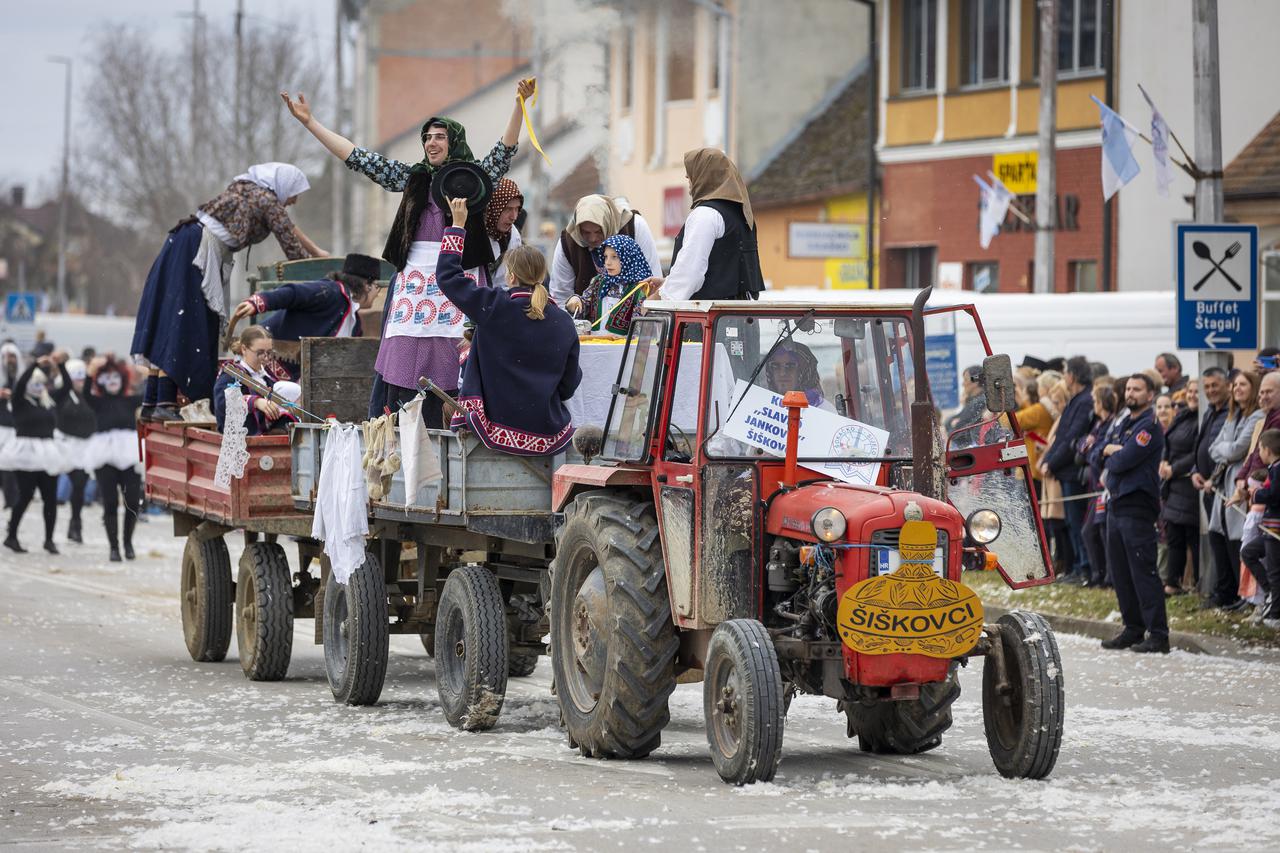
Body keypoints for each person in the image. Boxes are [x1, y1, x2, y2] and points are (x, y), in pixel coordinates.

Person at [283, 80, 534, 425]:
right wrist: (310, 123)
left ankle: (456, 422)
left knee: (458, 351)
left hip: (460, 276)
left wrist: (519, 104)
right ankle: (400, 425)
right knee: (403, 354)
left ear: (455, 141)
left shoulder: (475, 178)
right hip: (413, 282)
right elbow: (358, 157)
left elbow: (504, 150)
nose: (431, 142)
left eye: (440, 136)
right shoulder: (412, 178)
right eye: (427, 137)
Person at [132, 162, 322, 422]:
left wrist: (318, 253)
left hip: (184, 242)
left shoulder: (249, 190)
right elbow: (291, 244)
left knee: (171, 320)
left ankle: (153, 402)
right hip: (197, 251)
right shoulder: (266, 200)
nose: (294, 201)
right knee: (184, 323)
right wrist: (319, 275)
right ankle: (164, 402)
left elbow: (289, 227)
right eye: (294, 194)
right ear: (283, 186)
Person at [438, 198, 581, 456]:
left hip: (493, 427)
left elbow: (448, 277)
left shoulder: (494, 307)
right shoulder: (564, 322)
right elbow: (569, 384)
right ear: (541, 276)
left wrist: (458, 226)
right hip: (547, 434)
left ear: (511, 276)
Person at [1099, 373, 1169, 654]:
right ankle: (1133, 627)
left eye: (1137, 389)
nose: (1131, 392)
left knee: (1143, 570)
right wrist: (1111, 451)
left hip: (1137, 503)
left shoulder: (1149, 425)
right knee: (1120, 571)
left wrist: (1112, 452)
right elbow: (1095, 454)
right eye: (1128, 388)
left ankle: (1159, 634)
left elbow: (1122, 461)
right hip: (1116, 502)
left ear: (1150, 394)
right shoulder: (1123, 421)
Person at [230, 253, 382, 380]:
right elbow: (295, 293)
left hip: (296, 382)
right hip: (262, 365)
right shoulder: (331, 292)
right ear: (367, 285)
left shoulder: (355, 326)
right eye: (377, 286)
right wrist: (259, 302)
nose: (378, 293)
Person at [648, 148, 766, 303]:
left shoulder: (705, 214)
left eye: (691, 175)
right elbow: (723, 270)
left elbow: (690, 272)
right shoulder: (742, 214)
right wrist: (667, 283)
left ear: (705, 177)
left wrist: (655, 300)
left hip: (709, 319)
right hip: (740, 317)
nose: (688, 180)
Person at [1206, 370, 1264, 611]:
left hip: (1240, 483)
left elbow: (1237, 450)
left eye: (1243, 384)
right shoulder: (1233, 415)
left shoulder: (1257, 416)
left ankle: (1244, 596)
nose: (1237, 388)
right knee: (1217, 535)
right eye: (1236, 384)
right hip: (1225, 482)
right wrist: (1226, 450)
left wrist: (1226, 450)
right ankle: (1226, 591)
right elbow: (1213, 448)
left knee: (1237, 539)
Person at [2, 356, 69, 554]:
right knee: (25, 496)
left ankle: (49, 539)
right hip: (26, 454)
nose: (38, 387)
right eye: (35, 383)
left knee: (50, 498)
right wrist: (35, 365)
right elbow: (21, 382)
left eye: (41, 384)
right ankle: (11, 535)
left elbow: (66, 388)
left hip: (47, 453)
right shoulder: (19, 401)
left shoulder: (47, 402)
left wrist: (61, 366)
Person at [553, 195, 662, 311]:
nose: (593, 238)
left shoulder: (634, 226)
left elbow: (653, 281)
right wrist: (574, 305)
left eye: (598, 231)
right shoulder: (569, 241)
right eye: (586, 232)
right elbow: (561, 295)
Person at [1041, 356, 1095, 583]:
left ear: (1072, 375)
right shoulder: (1076, 400)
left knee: (1076, 521)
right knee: (1071, 522)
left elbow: (1072, 436)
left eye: (1066, 373)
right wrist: (1049, 459)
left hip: (1072, 470)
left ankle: (1084, 568)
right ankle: (1076, 568)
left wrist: (1051, 462)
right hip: (1064, 470)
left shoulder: (1084, 401)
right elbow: (1061, 436)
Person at [86, 357, 144, 562]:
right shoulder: (97, 402)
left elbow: (148, 395)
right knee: (110, 502)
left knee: (132, 503)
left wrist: (147, 373)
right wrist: (90, 371)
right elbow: (85, 391)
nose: (112, 381)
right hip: (105, 455)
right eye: (107, 377)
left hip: (128, 454)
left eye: (115, 377)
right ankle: (114, 547)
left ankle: (128, 543)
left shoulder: (131, 400)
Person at [213, 326, 297, 436]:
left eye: (269, 352)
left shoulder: (268, 375)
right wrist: (255, 402)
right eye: (260, 352)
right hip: (241, 437)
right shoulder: (231, 373)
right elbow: (222, 403)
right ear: (244, 349)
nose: (266, 358)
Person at [1160, 392, 1200, 595]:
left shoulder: (1202, 418)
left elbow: (1198, 451)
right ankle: (1172, 584)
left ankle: (1200, 584)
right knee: (1174, 536)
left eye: (1197, 390)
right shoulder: (1183, 415)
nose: (1193, 395)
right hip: (1173, 484)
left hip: (1188, 482)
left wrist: (1174, 468)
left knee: (1193, 537)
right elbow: (1167, 441)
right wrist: (1164, 461)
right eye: (1190, 391)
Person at [54, 357, 97, 544]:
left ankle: (75, 524)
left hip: (84, 447)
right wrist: (61, 365)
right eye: (76, 378)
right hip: (63, 445)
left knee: (79, 487)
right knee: (51, 490)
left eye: (82, 378)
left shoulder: (88, 396)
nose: (80, 381)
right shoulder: (62, 395)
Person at [1240, 429, 1280, 628]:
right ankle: (1270, 593)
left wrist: (1256, 494)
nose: (1259, 454)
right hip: (1269, 529)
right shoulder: (1274, 468)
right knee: (1248, 552)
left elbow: (1274, 494)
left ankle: (1275, 614)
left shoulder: (1278, 469)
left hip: (1276, 530)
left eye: (1260, 449)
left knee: (1274, 570)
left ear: (1268, 450)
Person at [1079, 384, 1118, 588]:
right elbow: (1083, 446)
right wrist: (1090, 447)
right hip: (1095, 488)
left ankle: (1107, 576)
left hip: (1103, 488)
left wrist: (1092, 448)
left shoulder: (1111, 424)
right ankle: (1099, 574)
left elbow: (1097, 452)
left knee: (1101, 532)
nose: (1093, 404)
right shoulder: (1098, 424)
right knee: (1091, 531)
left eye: (1095, 400)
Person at [583, 234, 652, 336]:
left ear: (628, 257)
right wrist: (577, 302)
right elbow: (585, 303)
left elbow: (638, 328)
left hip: (620, 348)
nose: (608, 263)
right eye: (606, 257)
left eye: (614, 257)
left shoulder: (639, 288)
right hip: (594, 344)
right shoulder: (598, 281)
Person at [764, 341, 835, 412]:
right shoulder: (761, 406)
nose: (782, 373)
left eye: (790, 366)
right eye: (775, 366)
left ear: (804, 371)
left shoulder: (824, 410)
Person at [485, 178, 525, 281]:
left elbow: (505, 282)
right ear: (493, 207)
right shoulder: (470, 232)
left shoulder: (512, 235)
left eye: (517, 209)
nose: (514, 217)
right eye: (508, 209)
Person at [0, 341, 23, 509]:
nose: (10, 360)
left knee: (11, 466)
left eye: (13, 357)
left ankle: (12, 499)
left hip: (16, 427)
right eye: (6, 357)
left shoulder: (21, 378)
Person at [947, 366, 987, 434]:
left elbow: (957, 432)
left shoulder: (978, 402)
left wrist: (954, 424)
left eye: (965, 380)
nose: (963, 384)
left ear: (975, 382)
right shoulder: (975, 401)